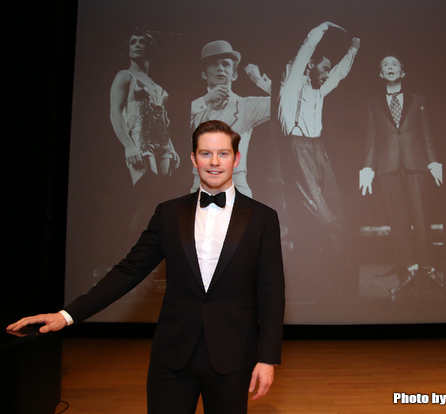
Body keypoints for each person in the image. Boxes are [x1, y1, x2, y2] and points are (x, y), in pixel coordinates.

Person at [7, 120, 286, 414]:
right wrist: (66, 316)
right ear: (193, 159)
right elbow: (128, 271)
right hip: (172, 359)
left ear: (236, 158)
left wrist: (267, 359)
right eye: (205, 154)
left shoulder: (262, 218)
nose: (214, 162)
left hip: (233, 359)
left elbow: (272, 292)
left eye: (223, 154)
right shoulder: (168, 213)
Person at [277, 21, 359, 300]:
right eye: (321, 68)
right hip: (297, 150)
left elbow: (339, 73)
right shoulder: (290, 86)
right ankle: (318, 282)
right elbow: (304, 51)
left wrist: (354, 48)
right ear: (309, 66)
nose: (325, 74)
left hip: (318, 149)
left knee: (336, 211)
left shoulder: (318, 91)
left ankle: (338, 280)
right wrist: (323, 27)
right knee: (322, 217)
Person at [359, 55, 443, 294]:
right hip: (387, 167)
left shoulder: (418, 100)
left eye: (394, 64)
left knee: (421, 217)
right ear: (380, 74)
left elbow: (426, 134)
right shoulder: (373, 104)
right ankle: (410, 270)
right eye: (385, 65)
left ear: (402, 72)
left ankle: (428, 269)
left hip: (416, 164)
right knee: (398, 221)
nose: (390, 67)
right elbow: (372, 140)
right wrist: (367, 168)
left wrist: (434, 162)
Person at [109, 27, 181, 246]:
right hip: (140, 141)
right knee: (147, 197)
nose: (137, 45)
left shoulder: (157, 86)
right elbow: (114, 112)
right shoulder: (124, 75)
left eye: (142, 41)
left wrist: (172, 147)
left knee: (161, 202)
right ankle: (131, 256)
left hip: (162, 143)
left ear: (150, 48)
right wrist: (128, 146)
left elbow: (163, 120)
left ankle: (156, 255)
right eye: (133, 42)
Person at [190, 40, 271, 198]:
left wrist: (259, 80)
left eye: (225, 64)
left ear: (234, 74)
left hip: (236, 183)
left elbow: (287, 104)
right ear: (204, 73)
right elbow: (173, 124)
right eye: (214, 64)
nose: (220, 68)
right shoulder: (193, 107)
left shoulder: (246, 105)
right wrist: (206, 100)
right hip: (199, 184)